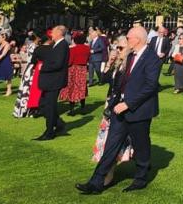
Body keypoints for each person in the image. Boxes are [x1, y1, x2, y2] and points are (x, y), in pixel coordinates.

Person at [77, 25, 159, 194]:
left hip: (138, 110)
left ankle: (141, 179)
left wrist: (128, 103)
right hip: (119, 109)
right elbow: (120, 81)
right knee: (111, 145)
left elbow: (150, 86)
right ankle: (96, 182)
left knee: (141, 144)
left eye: (128, 38)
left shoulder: (152, 58)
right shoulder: (130, 57)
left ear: (137, 39)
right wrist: (115, 102)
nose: (126, 40)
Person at [90, 36, 133, 187]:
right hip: (110, 103)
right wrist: (109, 62)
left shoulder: (130, 66)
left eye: (121, 48)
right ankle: (107, 169)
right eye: (117, 48)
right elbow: (103, 79)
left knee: (114, 140)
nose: (118, 51)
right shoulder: (118, 64)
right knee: (107, 138)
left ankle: (109, 172)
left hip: (121, 105)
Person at [36, 25, 70, 140]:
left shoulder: (63, 45)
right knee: (44, 104)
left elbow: (58, 63)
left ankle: (49, 131)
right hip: (50, 79)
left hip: (54, 80)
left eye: (54, 32)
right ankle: (58, 123)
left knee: (50, 105)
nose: (51, 34)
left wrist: (43, 67)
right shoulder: (56, 45)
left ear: (59, 33)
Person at [12, 31, 41, 119]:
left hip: (29, 68)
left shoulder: (31, 45)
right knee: (29, 89)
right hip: (32, 68)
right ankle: (27, 110)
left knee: (26, 88)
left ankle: (23, 109)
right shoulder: (34, 47)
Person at [63, 31, 91, 112]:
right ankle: (83, 108)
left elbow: (70, 61)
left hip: (73, 69)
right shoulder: (87, 48)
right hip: (83, 69)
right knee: (82, 88)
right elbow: (88, 58)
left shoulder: (72, 49)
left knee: (72, 88)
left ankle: (72, 110)